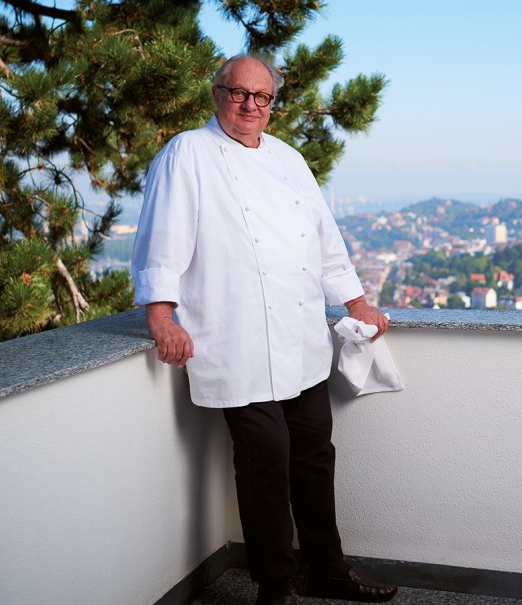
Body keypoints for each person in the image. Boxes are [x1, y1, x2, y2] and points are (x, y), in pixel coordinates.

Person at [131, 54, 397, 605]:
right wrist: (161, 316)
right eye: (239, 93)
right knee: (264, 460)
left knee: (314, 454)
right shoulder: (188, 153)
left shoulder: (289, 159)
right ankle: (275, 586)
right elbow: (163, 239)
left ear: (272, 103)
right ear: (217, 93)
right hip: (235, 338)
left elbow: (325, 243)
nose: (250, 105)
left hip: (299, 338)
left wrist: (357, 302)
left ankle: (326, 568)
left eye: (262, 97)